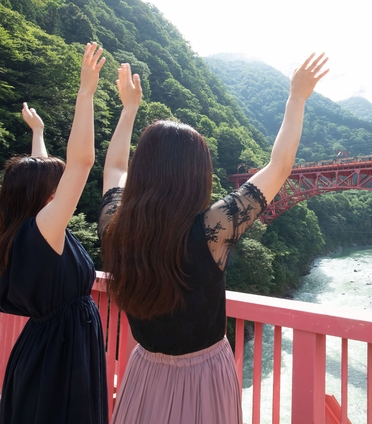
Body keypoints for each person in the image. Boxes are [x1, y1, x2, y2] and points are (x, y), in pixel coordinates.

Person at [99, 53, 329, 424]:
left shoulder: (115, 224)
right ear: (197, 176)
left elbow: (114, 167)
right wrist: (296, 99)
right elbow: (279, 167)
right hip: (204, 374)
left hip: (144, 370)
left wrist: (129, 109)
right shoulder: (214, 228)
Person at [0, 43, 108, 424]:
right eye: (56, 184)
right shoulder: (44, 229)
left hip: (48, 349)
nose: (63, 187)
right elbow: (81, 162)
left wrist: (39, 132)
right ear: (46, 194)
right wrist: (85, 92)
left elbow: (42, 172)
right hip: (61, 355)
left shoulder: (29, 231)